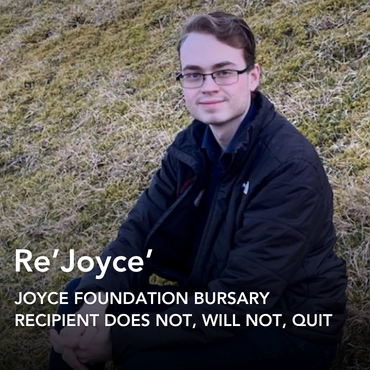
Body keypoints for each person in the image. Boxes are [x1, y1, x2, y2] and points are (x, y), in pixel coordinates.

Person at [49, 11, 347, 370]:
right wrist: (98, 301)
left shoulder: (288, 167)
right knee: (76, 301)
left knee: (145, 361)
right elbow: (138, 233)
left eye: (223, 71)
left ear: (252, 77)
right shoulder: (190, 146)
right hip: (207, 296)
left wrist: (117, 339)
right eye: (194, 74)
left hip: (288, 325)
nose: (208, 86)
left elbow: (242, 300)